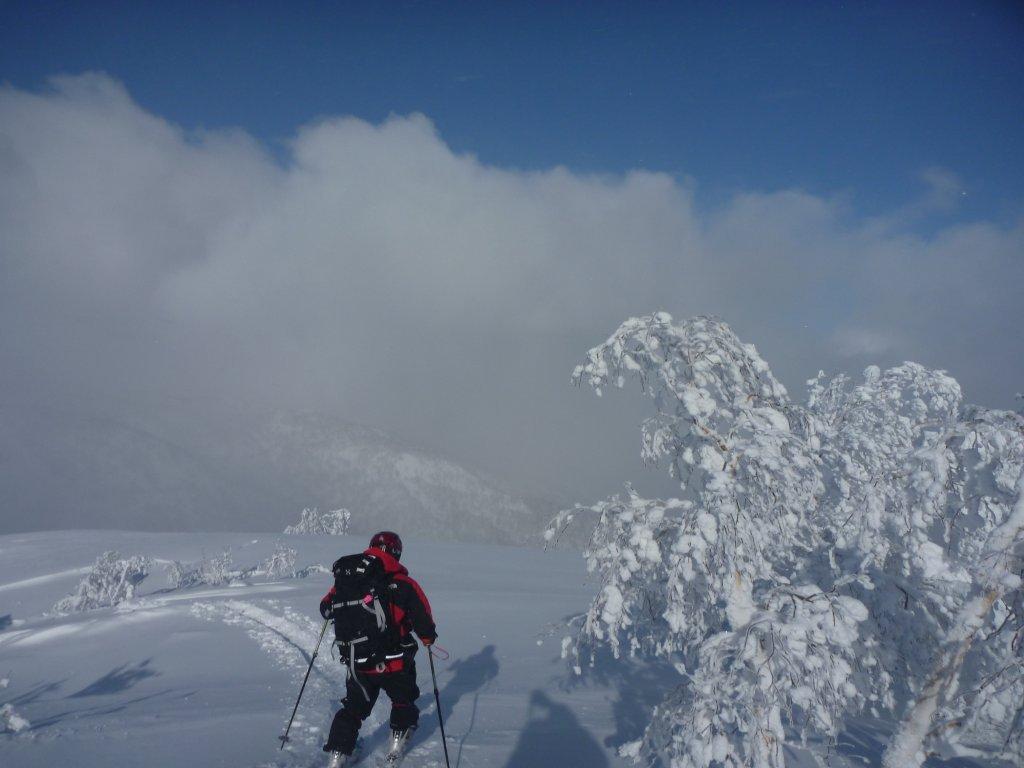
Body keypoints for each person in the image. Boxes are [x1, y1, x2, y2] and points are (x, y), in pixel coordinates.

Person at [320, 531, 436, 767]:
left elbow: (325, 608)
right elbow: (424, 620)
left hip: (358, 661)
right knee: (403, 700)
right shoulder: (403, 584)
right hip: (394, 662)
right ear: (397, 553)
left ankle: (337, 756)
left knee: (353, 707)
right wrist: (427, 638)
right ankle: (395, 747)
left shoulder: (348, 580)